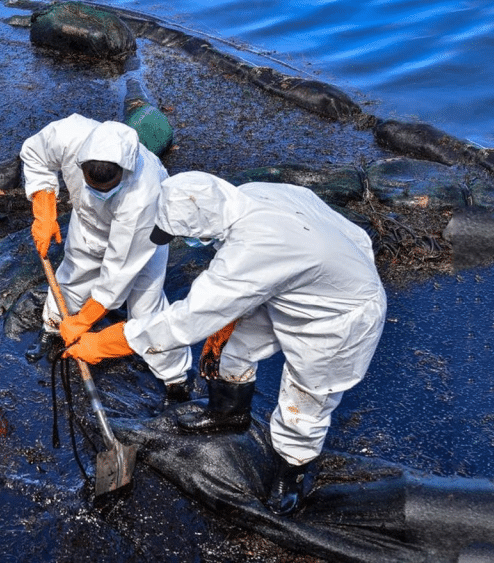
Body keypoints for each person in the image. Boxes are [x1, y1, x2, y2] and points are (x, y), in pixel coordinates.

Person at [63, 171, 387, 515]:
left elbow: (185, 321)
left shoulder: (253, 249)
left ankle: (291, 473)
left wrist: (105, 343)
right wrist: (235, 309)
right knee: (231, 350)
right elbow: (343, 233)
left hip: (338, 316)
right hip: (296, 280)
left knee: (305, 398)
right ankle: (229, 413)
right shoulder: (251, 193)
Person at [21, 114, 193, 400]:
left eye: (108, 187)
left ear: (124, 172)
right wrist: (43, 206)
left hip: (144, 238)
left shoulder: (144, 194)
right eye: (91, 182)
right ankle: (52, 327)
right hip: (89, 223)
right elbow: (36, 152)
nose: (99, 191)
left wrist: (86, 320)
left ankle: (173, 375)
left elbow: (119, 272)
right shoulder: (70, 135)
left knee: (146, 303)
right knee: (73, 275)